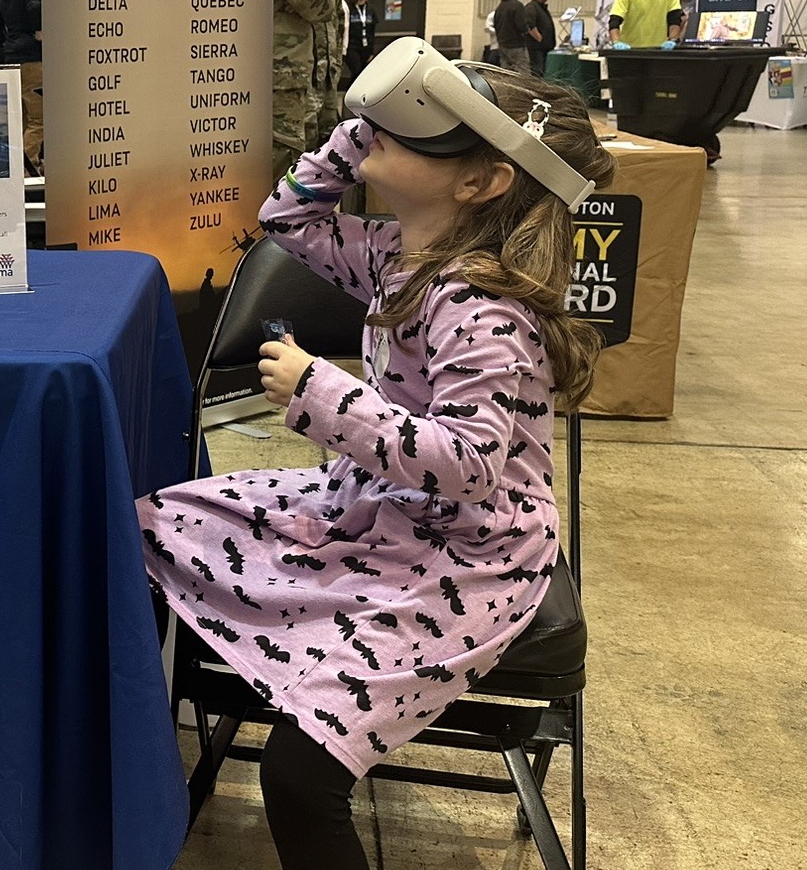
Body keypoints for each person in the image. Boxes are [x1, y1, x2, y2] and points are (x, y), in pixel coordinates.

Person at [139, 73, 615, 870]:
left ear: (481, 180)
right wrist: (366, 131)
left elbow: (467, 465)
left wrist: (326, 395)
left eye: (420, 133)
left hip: (466, 556)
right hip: (373, 509)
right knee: (151, 521)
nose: (381, 132)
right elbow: (285, 217)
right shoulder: (402, 252)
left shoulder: (480, 307)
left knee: (298, 776)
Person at [272, 0, 346, 180]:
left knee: (323, 173)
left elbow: (335, 27)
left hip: (325, 85)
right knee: (289, 171)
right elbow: (317, 7)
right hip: (294, 85)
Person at [0, 0, 44, 175]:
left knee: (21, 120)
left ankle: (16, 166)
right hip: (33, 61)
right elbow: (36, 9)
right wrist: (39, 30)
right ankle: (27, 170)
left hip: (12, 60)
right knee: (40, 118)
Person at [492, 0, 532, 73]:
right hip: (516, 45)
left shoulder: (501, 6)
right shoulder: (518, 6)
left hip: (503, 45)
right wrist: (527, 32)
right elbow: (521, 26)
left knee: (507, 73)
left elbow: (496, 24)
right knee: (523, 73)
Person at [343, 0, 375, 84]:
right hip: (352, 46)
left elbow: (372, 31)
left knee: (363, 73)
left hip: (365, 47)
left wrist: (371, 51)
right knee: (356, 71)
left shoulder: (370, 10)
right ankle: (349, 95)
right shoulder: (349, 8)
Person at [524, 0, 557, 70]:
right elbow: (529, 25)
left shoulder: (541, 8)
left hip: (543, 48)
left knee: (542, 71)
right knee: (537, 72)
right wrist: (540, 38)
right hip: (537, 49)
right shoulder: (531, 7)